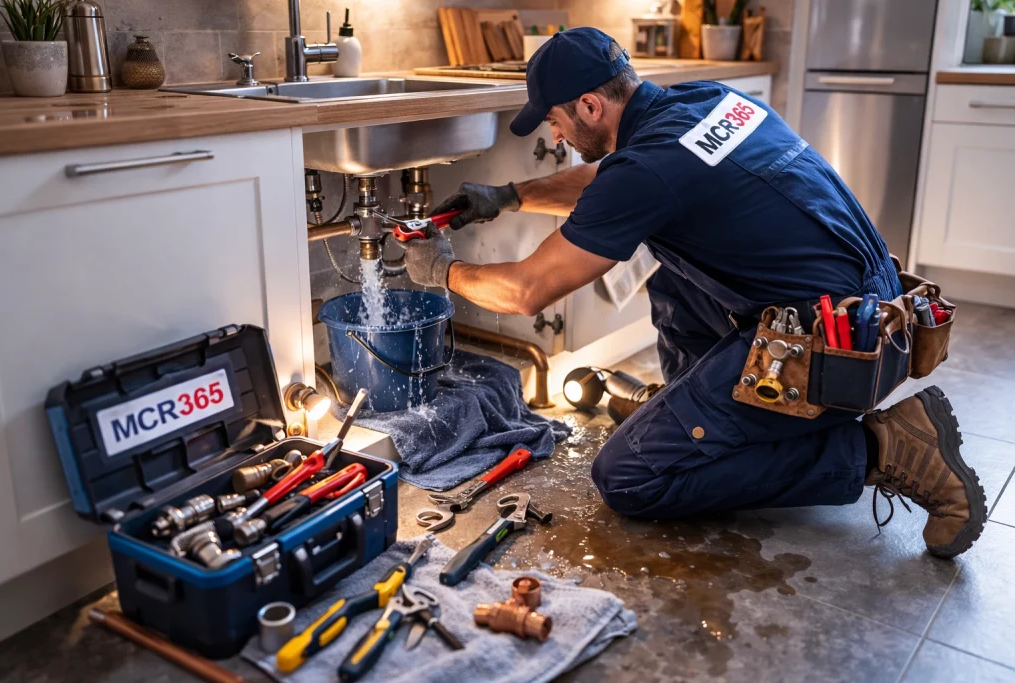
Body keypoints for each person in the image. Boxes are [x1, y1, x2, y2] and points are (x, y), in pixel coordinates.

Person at [403, 27, 986, 558]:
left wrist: (443, 274)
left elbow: (528, 290)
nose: (554, 134)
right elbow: (615, 184)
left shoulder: (649, 169)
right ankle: (692, 423)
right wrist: (507, 196)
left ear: (590, 105)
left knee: (630, 479)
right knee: (673, 279)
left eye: (554, 119)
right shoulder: (702, 102)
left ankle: (886, 450)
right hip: (884, 309)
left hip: (837, 352)